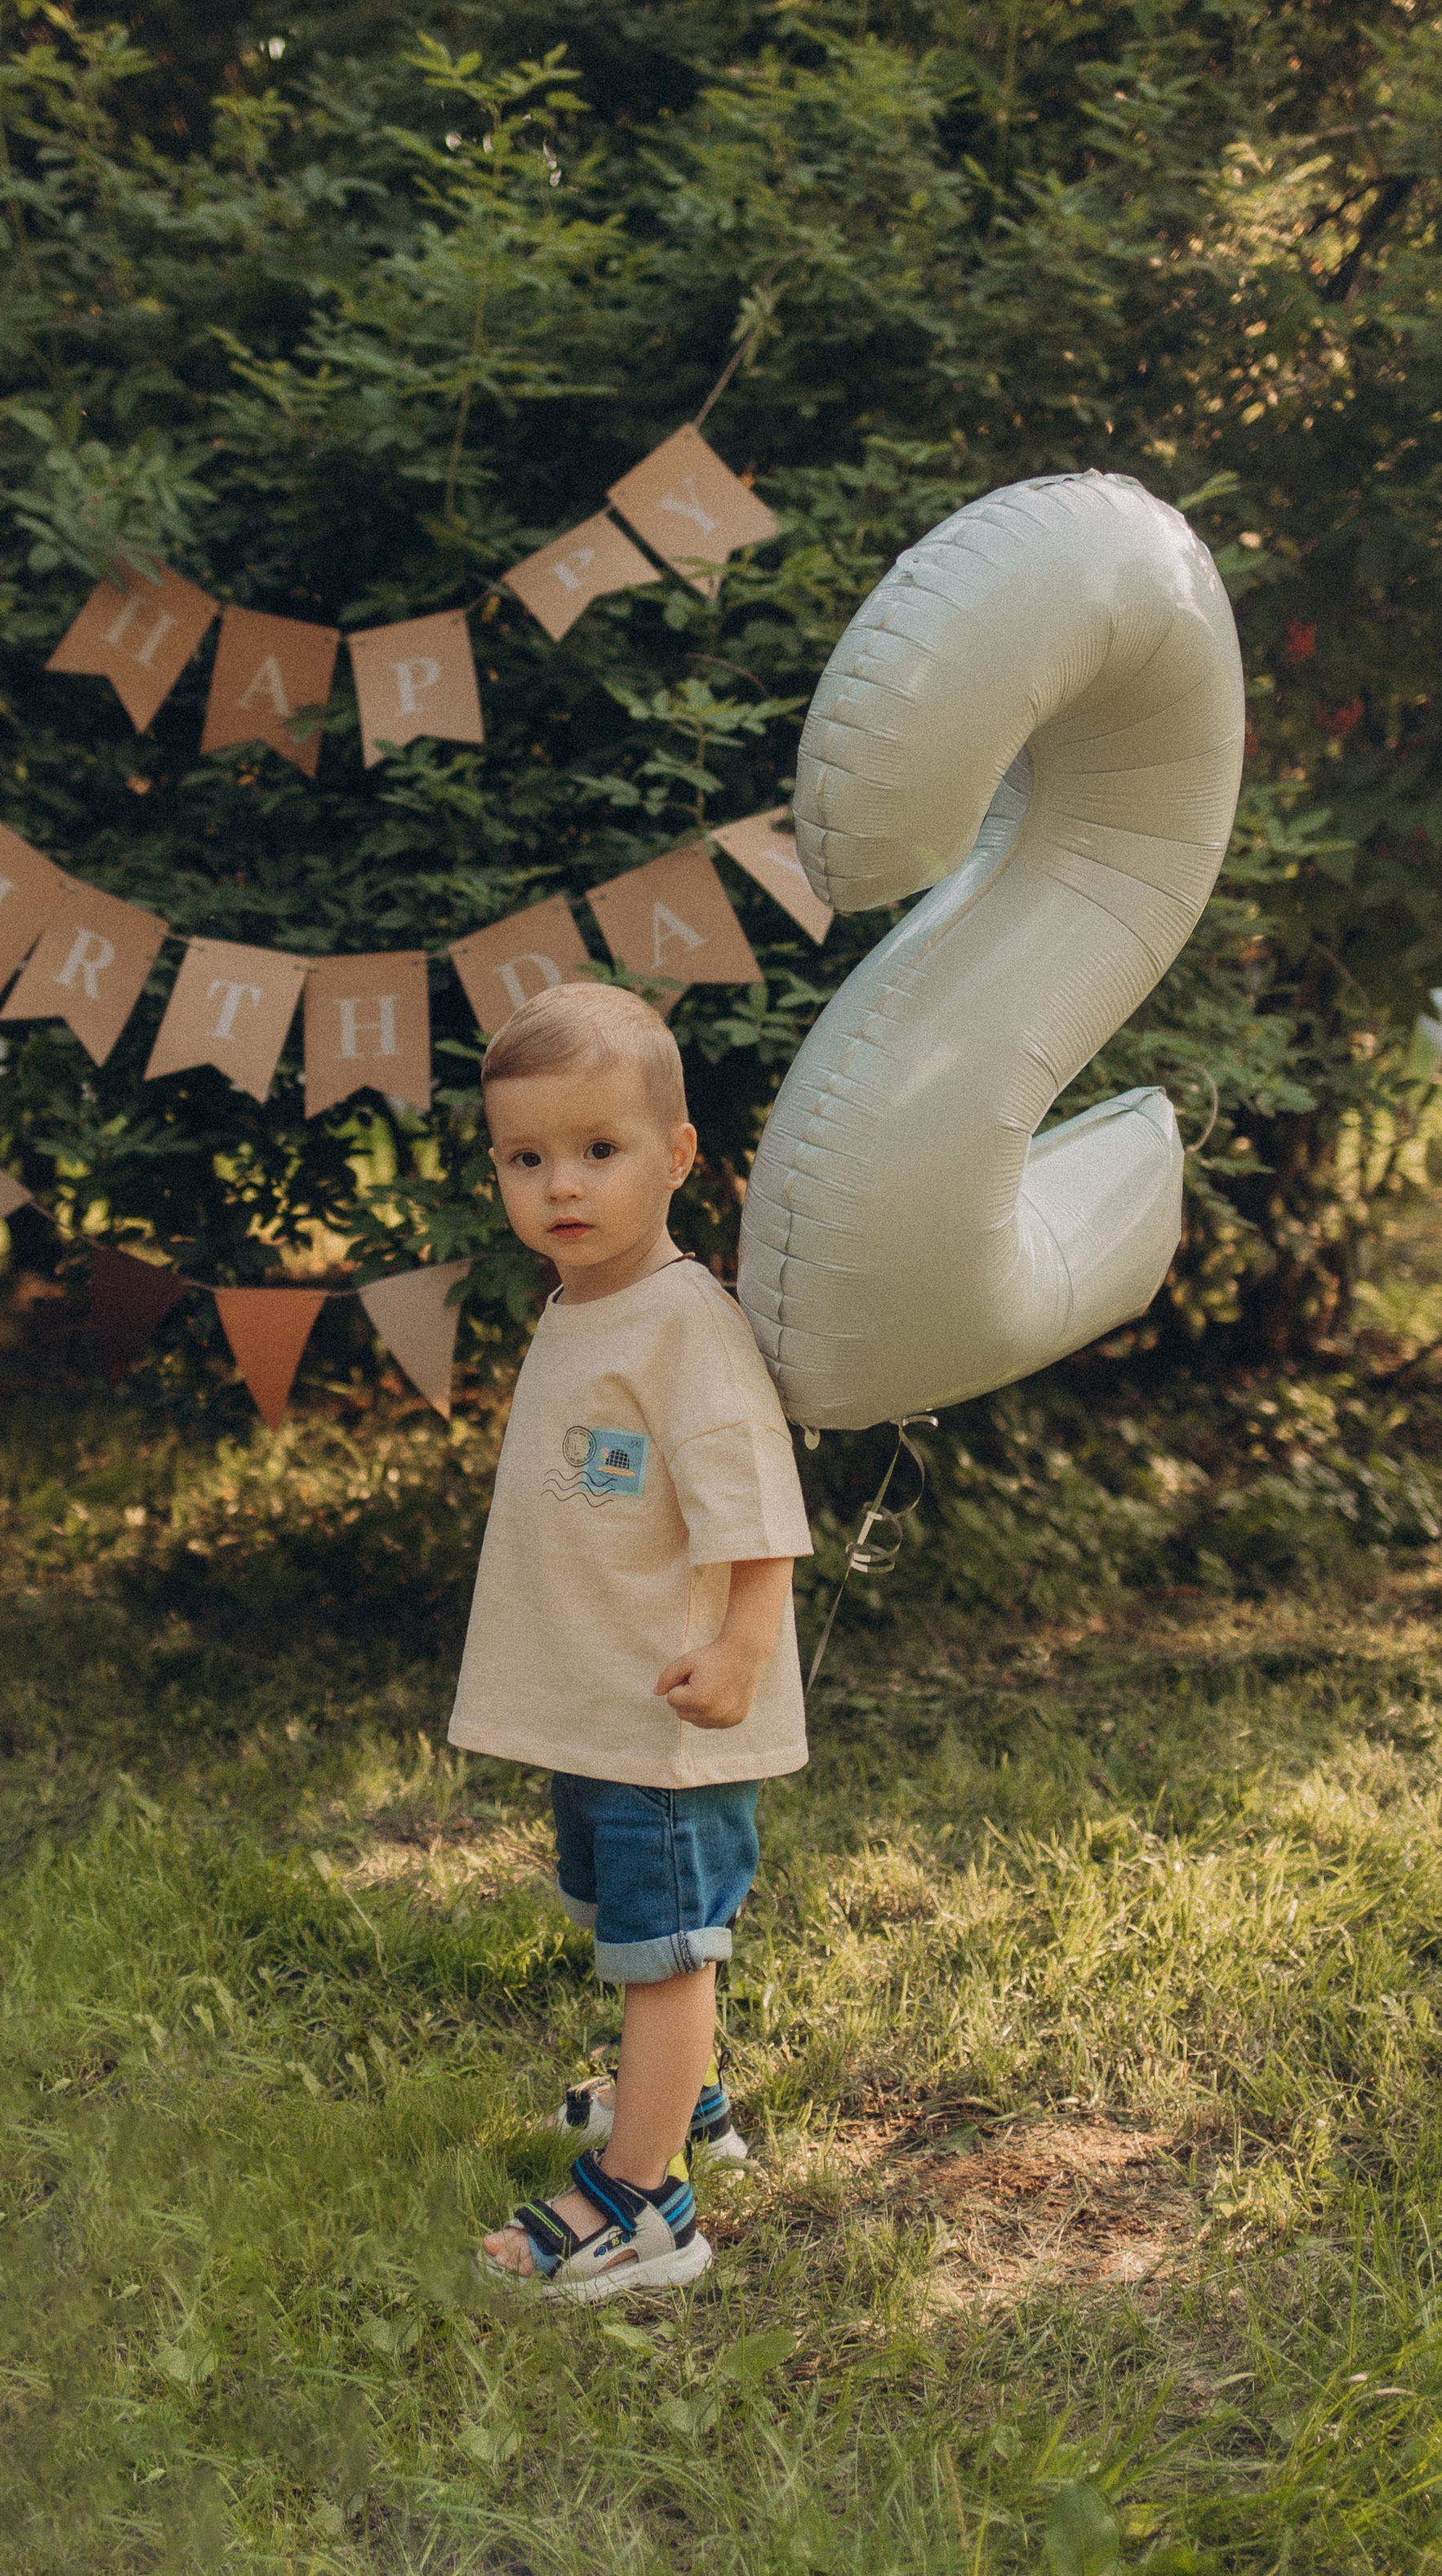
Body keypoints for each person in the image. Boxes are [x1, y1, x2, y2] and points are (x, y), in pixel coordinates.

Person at [450, 979, 811, 2303]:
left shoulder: (684, 1326)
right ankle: (688, 2100)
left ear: (674, 1157)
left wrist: (742, 1649)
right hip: (600, 1703)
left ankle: (647, 2207)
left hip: (670, 1715)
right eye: (527, 1158)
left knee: (666, 1952)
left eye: (599, 1152)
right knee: (620, 1917)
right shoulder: (582, 1302)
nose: (561, 1185)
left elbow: (754, 1506)